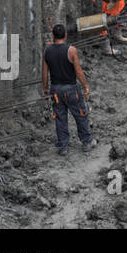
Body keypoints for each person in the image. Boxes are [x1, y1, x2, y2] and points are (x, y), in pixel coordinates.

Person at [42, 24, 94, 157]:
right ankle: (87, 142)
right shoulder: (71, 50)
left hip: (56, 90)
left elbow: (44, 73)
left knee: (60, 118)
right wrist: (85, 86)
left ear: (53, 36)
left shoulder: (47, 51)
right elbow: (78, 71)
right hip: (71, 89)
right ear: (65, 35)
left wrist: (45, 89)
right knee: (80, 114)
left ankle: (63, 146)